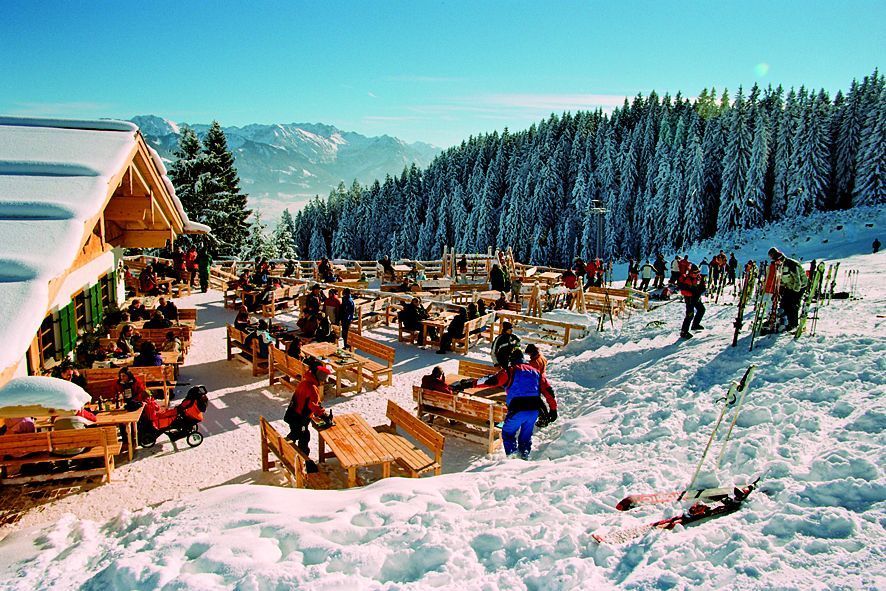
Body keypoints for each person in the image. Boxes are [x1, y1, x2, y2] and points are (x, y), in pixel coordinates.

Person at [476, 349, 558, 459]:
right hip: (534, 410)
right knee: (526, 436)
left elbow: (490, 381)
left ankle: (512, 458)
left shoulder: (510, 371)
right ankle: (524, 456)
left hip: (517, 409)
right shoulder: (536, 372)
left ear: (511, 360)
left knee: (508, 433)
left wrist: (468, 383)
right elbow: (549, 392)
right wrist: (553, 409)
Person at [283, 360, 332, 454]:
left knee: (299, 434)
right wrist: (324, 416)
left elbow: (308, 402)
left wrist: (317, 413)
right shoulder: (312, 388)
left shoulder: (305, 382)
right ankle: (301, 457)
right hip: (299, 418)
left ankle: (290, 452)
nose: (323, 383)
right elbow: (313, 406)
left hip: (292, 414)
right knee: (302, 437)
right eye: (323, 381)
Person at [768, 247, 808, 332]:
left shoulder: (791, 264)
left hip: (799, 286)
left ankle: (793, 324)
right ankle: (785, 322)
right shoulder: (779, 266)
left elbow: (797, 280)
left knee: (793, 304)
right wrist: (779, 292)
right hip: (790, 286)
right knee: (783, 303)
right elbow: (782, 280)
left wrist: (795, 293)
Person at [678, 264, 706, 339]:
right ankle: (684, 332)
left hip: (696, 298)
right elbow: (683, 291)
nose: (696, 274)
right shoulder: (686, 279)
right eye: (694, 272)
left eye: (697, 272)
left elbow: (702, 287)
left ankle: (695, 325)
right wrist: (692, 293)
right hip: (689, 299)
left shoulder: (698, 278)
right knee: (690, 315)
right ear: (690, 272)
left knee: (701, 310)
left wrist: (701, 289)